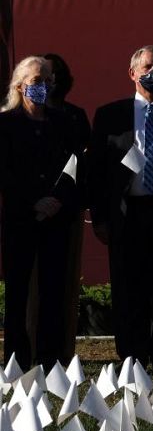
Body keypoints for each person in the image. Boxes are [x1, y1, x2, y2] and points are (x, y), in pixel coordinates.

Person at [88, 45, 153, 371]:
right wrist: (100, 218)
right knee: (127, 287)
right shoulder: (110, 115)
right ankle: (131, 356)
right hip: (126, 213)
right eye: (147, 67)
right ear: (132, 73)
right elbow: (96, 171)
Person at [0, 57, 82, 368]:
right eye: (36, 81)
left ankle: (50, 359)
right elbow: (5, 173)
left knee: (53, 291)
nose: (42, 87)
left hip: (56, 218)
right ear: (20, 86)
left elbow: (74, 168)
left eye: (47, 80)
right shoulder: (5, 125)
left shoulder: (63, 124)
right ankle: (17, 359)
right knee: (19, 291)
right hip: (21, 218)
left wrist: (56, 200)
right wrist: (33, 201)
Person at [35, 54, 91, 354]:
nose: (48, 82)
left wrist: (59, 199)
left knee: (61, 283)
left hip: (64, 209)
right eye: (41, 77)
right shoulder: (17, 117)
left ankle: (59, 349)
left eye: (52, 76)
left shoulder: (73, 116)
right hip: (29, 210)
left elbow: (80, 162)